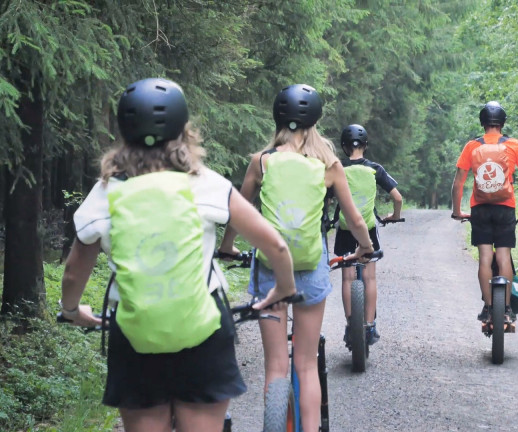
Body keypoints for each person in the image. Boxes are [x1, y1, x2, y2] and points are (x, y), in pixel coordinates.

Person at [59, 78, 297, 432]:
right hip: (204, 331)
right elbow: (275, 245)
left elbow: (74, 272)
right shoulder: (207, 184)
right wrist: (283, 288)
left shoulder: (105, 193)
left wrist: (71, 310)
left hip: (134, 334)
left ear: (124, 132)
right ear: (183, 131)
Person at [217, 84, 373, 432]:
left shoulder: (262, 162)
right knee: (305, 363)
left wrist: (228, 246)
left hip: (271, 268)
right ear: (314, 122)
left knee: (276, 366)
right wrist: (363, 248)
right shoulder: (329, 165)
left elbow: (237, 213)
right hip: (310, 264)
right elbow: (355, 220)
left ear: (279, 119)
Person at [451, 101, 518, 325]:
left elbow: (458, 183)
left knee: (485, 257)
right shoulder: (513, 145)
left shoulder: (472, 146)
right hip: (505, 207)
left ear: (483, 123)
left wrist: (457, 211)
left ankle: (488, 306)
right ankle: (507, 308)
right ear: (502, 123)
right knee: (503, 256)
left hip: (479, 208)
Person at [333, 124, 402, 347]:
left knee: (347, 278)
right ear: (365, 146)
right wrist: (394, 215)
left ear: (344, 146)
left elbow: (323, 197)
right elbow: (398, 198)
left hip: (345, 228)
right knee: (370, 277)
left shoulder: (337, 170)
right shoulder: (375, 169)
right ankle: (369, 326)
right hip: (368, 228)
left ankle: (350, 325)